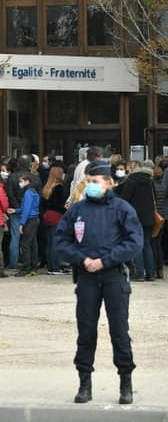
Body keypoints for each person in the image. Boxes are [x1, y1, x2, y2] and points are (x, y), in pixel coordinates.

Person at [55, 160, 141, 405]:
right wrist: (82, 260)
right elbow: (61, 240)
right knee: (86, 331)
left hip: (113, 275)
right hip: (86, 277)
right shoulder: (77, 210)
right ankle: (85, 383)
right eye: (88, 181)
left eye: (95, 182)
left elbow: (134, 242)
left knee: (119, 331)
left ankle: (125, 381)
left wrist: (105, 261)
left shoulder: (122, 209)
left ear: (108, 183)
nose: (91, 186)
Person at [115, 160, 157, 281]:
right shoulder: (149, 180)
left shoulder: (131, 181)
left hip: (135, 217)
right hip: (149, 216)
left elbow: (125, 199)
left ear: (130, 168)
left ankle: (139, 273)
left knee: (137, 245)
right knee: (147, 244)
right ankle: (151, 273)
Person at [41, 164, 69, 275]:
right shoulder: (59, 187)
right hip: (56, 216)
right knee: (56, 242)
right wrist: (65, 208)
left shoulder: (47, 187)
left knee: (49, 242)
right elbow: (58, 204)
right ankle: (56, 267)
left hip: (47, 215)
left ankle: (50, 266)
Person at [14, 173, 40, 276]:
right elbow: (28, 208)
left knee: (25, 244)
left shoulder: (28, 193)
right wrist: (15, 210)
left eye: (21, 181)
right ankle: (33, 266)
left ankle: (26, 267)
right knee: (33, 244)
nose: (20, 183)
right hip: (34, 219)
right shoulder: (34, 192)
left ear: (27, 181)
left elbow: (27, 209)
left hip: (29, 220)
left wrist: (21, 223)